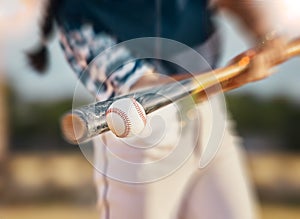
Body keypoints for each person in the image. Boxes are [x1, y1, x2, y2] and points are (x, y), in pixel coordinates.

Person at [27, 0, 286, 218]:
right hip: (143, 128)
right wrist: (225, 79)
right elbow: (146, 87)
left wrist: (264, 36)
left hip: (211, 115)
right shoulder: (76, 15)